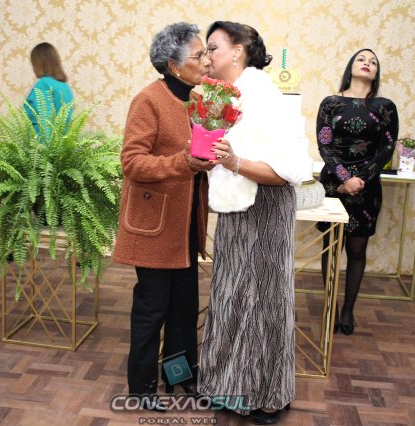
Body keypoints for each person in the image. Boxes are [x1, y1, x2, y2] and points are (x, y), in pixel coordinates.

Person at [197, 21, 311, 425]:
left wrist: (233, 161)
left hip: (266, 208)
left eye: (213, 47)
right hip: (236, 208)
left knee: (264, 301)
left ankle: (268, 396)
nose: (206, 56)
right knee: (230, 294)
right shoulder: (223, 97)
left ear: (239, 50)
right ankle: (226, 386)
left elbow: (287, 171)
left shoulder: (265, 99)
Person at [111, 22, 213, 409]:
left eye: (206, 53)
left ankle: (179, 377)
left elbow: (197, 156)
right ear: (173, 65)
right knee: (152, 310)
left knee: (184, 309)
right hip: (154, 228)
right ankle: (142, 389)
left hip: (186, 226)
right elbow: (132, 163)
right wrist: (183, 163)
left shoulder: (198, 102)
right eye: (199, 55)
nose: (206, 61)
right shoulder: (148, 101)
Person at [315, 49, 399, 336]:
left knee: (357, 249)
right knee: (331, 247)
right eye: (362, 59)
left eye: (373, 62)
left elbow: (387, 148)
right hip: (333, 185)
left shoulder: (385, 107)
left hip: (367, 187)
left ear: (376, 73)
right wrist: (343, 178)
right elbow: (325, 144)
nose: (367, 63)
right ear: (351, 66)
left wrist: (359, 179)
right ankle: (330, 305)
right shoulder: (331, 103)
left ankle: (348, 309)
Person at [23, 42, 74, 134]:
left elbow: (45, 125)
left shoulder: (44, 84)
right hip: (63, 142)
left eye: (33, 63)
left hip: (41, 142)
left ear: (38, 63)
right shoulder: (65, 86)